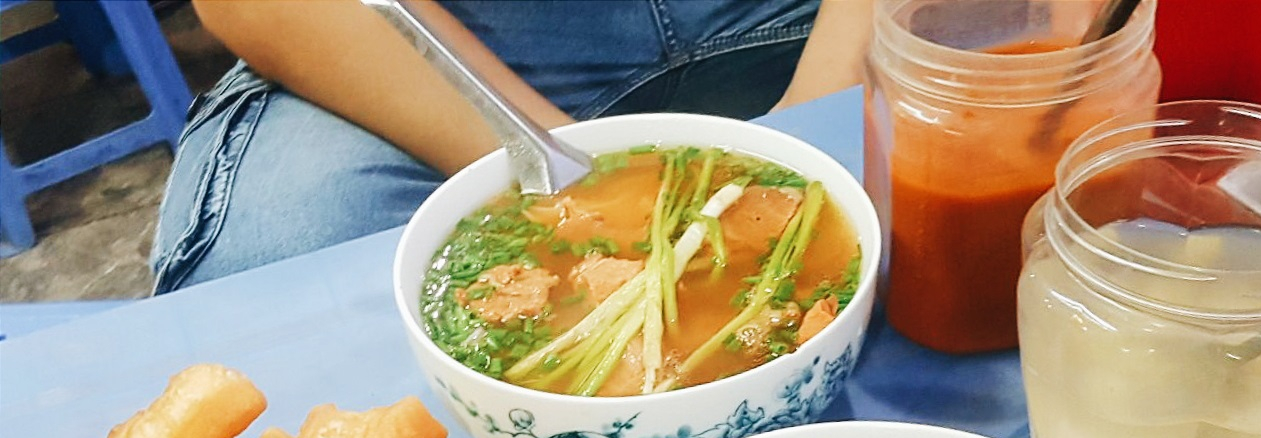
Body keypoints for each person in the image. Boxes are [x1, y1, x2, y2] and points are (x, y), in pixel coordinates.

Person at [152, 0, 872, 294]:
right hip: (424, 31)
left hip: (804, 16)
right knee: (277, 274)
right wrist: (564, 172)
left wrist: (809, 142)